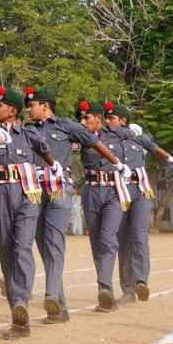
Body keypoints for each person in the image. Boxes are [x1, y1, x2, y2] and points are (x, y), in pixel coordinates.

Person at [25, 87, 119, 324]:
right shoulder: (26, 130)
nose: (28, 109)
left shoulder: (66, 126)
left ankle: (51, 295)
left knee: (54, 242)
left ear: (45, 106)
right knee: (43, 246)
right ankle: (60, 309)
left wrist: (117, 163)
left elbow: (93, 142)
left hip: (59, 189)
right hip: (34, 192)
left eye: (32, 105)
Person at [0, 86, 57, 340]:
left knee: (22, 247)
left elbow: (44, 149)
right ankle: (19, 319)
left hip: (27, 194)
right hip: (1, 193)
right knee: (6, 251)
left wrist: (53, 165)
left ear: (12, 111)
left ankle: (21, 302)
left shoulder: (28, 134)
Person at [105, 103, 173, 303]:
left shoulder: (140, 138)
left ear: (122, 120)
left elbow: (155, 149)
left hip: (140, 191)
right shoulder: (106, 138)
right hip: (119, 192)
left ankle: (141, 282)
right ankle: (128, 290)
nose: (107, 121)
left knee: (139, 236)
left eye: (111, 118)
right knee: (123, 240)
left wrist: (171, 159)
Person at [75, 99, 133, 312]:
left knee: (109, 238)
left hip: (113, 191)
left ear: (98, 118)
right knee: (96, 242)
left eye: (86, 117)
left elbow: (138, 137)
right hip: (90, 191)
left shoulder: (117, 133)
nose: (82, 121)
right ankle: (105, 292)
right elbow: (69, 146)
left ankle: (105, 288)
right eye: (80, 118)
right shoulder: (80, 137)